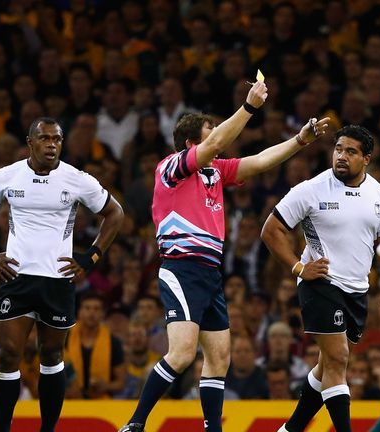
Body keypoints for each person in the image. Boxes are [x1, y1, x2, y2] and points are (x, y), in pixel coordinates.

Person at [118, 79, 330, 432]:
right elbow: (217, 142)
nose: (217, 136)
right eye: (209, 130)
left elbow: (260, 161)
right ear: (191, 143)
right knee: (183, 354)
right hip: (181, 268)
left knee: (219, 358)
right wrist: (249, 108)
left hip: (210, 273)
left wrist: (300, 141)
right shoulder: (170, 168)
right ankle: (136, 422)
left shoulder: (214, 173)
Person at [261, 124, 380, 432]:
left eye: (351, 152)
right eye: (338, 149)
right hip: (319, 283)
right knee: (339, 359)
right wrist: (299, 269)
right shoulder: (311, 189)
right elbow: (271, 231)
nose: (341, 156)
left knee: (327, 365)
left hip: (357, 290)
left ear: (366, 158)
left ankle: (291, 429)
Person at [0, 117, 124, 432]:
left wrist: (90, 257)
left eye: (57, 139)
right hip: (15, 277)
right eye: (44, 138)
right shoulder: (6, 177)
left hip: (58, 280)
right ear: (30, 142)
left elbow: (115, 213)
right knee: (7, 355)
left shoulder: (76, 180)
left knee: (51, 355)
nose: (51, 145)